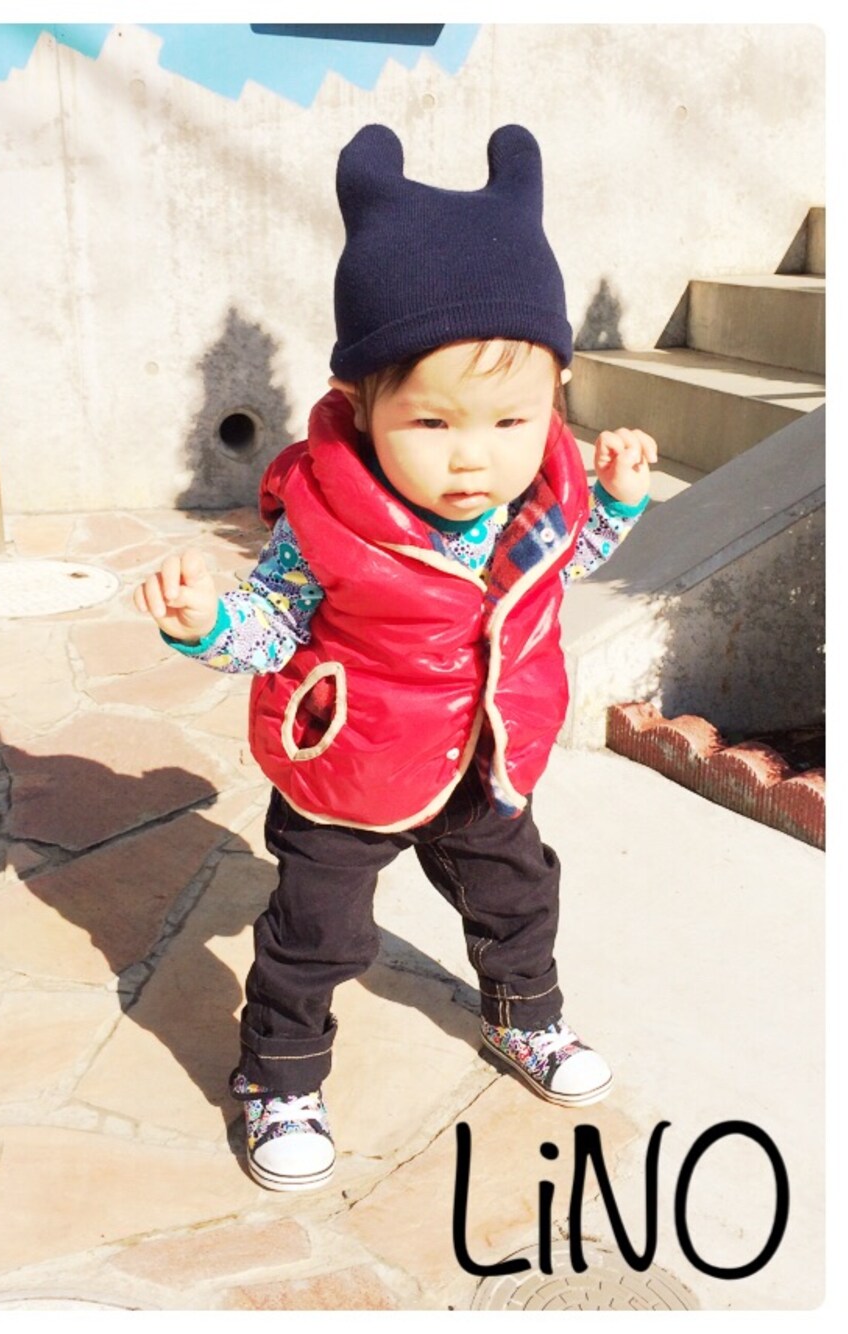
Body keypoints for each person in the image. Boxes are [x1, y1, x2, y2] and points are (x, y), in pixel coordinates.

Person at [135, 124, 657, 1193]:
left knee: (519, 896)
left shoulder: (539, 496)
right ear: (361, 408)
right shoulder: (329, 516)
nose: (474, 456)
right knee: (315, 932)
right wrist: (206, 621)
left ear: (554, 399)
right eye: (432, 421)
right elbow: (274, 622)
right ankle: (280, 1075)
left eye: (510, 419)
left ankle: (525, 1016)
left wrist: (613, 503)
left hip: (484, 760)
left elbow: (562, 563)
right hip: (350, 766)